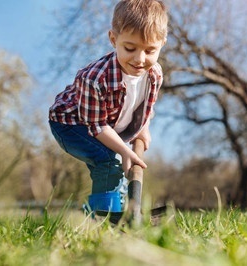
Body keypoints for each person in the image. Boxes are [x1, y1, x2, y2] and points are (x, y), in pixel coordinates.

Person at [48, 0, 168, 223]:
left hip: (105, 126)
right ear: (113, 39)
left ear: (162, 43)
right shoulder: (94, 78)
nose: (140, 59)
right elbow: (97, 126)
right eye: (130, 48)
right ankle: (103, 222)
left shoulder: (155, 74)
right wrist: (124, 149)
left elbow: (145, 107)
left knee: (119, 169)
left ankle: (109, 212)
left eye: (150, 50)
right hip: (71, 124)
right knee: (109, 161)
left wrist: (144, 129)